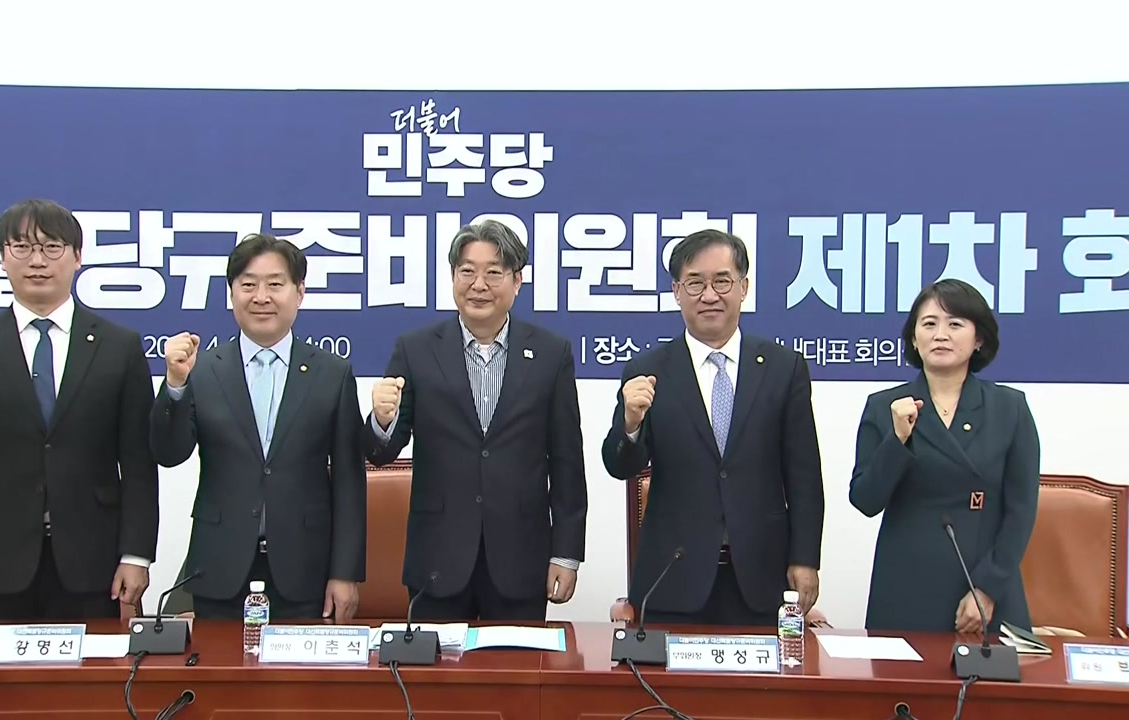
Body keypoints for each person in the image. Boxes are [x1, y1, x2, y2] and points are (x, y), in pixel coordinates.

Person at [0, 198, 159, 621]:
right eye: (22, 247)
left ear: (77, 257)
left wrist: (136, 555)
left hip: (88, 559)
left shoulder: (119, 347)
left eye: (52, 247)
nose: (37, 261)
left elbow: (138, 461)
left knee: (86, 667)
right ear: (3, 257)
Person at [364, 220, 587, 622]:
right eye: (467, 271)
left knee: (518, 663)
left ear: (517, 281)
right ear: (453, 277)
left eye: (493, 273)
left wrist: (566, 554)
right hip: (437, 558)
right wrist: (382, 420)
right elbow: (382, 452)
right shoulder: (415, 350)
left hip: (522, 560)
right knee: (435, 665)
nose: (479, 284)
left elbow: (567, 461)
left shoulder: (552, 353)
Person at [603, 229, 825, 627]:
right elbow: (620, 465)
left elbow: (804, 475)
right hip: (672, 577)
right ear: (676, 291)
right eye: (695, 283)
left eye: (722, 281)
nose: (709, 295)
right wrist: (631, 424)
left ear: (744, 287)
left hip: (762, 576)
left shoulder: (783, 367)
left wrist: (805, 559)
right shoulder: (648, 370)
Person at [150, 234, 366, 623]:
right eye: (248, 284)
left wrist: (345, 572)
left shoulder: (332, 373)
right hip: (220, 567)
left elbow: (350, 480)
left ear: (299, 292)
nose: (261, 297)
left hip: (305, 572)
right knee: (219, 664)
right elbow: (168, 452)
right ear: (231, 292)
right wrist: (175, 386)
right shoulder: (203, 370)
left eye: (275, 284)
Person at [850, 279, 1040, 634]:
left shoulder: (1009, 408)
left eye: (955, 324)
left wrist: (987, 588)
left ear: (978, 338)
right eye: (929, 324)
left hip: (984, 584)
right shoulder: (884, 407)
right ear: (913, 338)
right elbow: (865, 500)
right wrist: (898, 439)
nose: (941, 335)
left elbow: (1021, 509)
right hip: (906, 585)